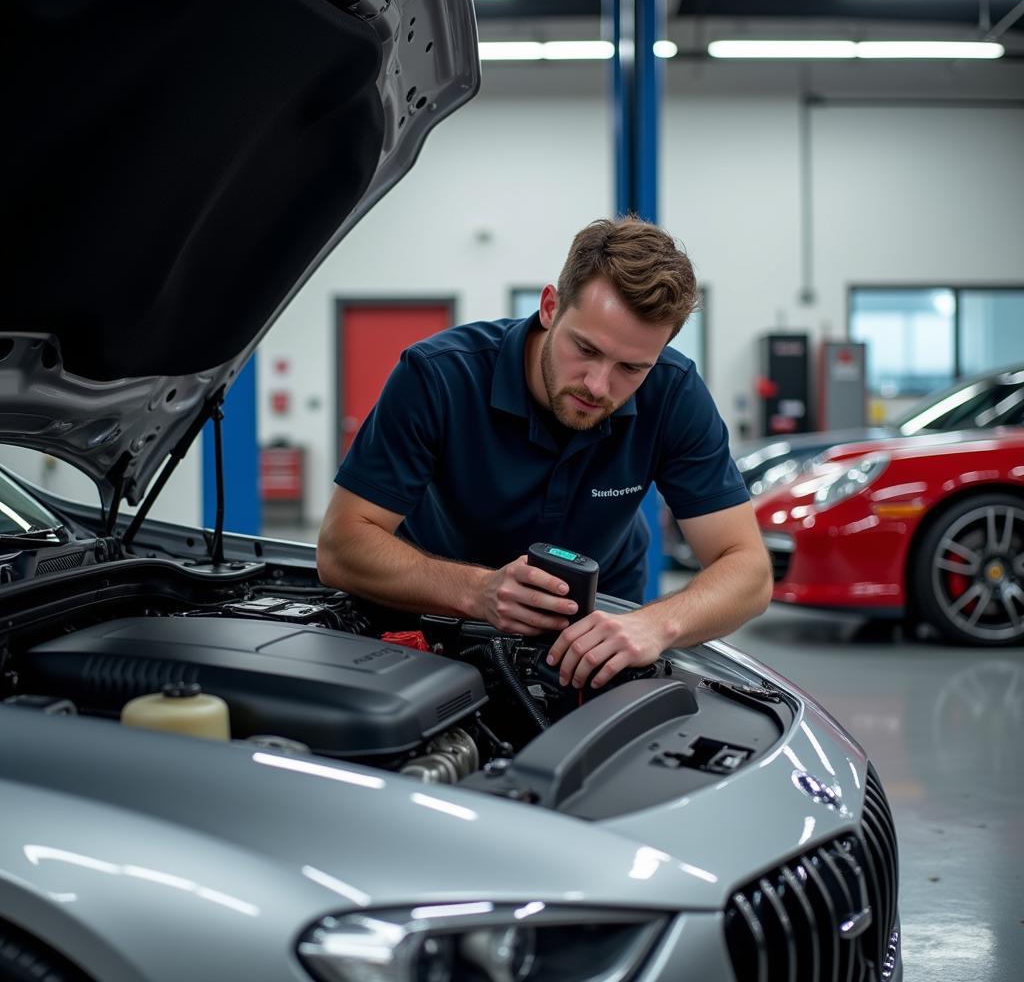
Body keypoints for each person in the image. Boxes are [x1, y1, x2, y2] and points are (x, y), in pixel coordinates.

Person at [317, 216, 772, 689]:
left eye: (631, 368)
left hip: (599, 621)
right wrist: (477, 591)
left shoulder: (673, 392)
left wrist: (657, 623)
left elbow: (749, 570)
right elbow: (340, 546)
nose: (599, 386)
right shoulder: (439, 377)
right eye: (586, 349)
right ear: (551, 307)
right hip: (437, 612)